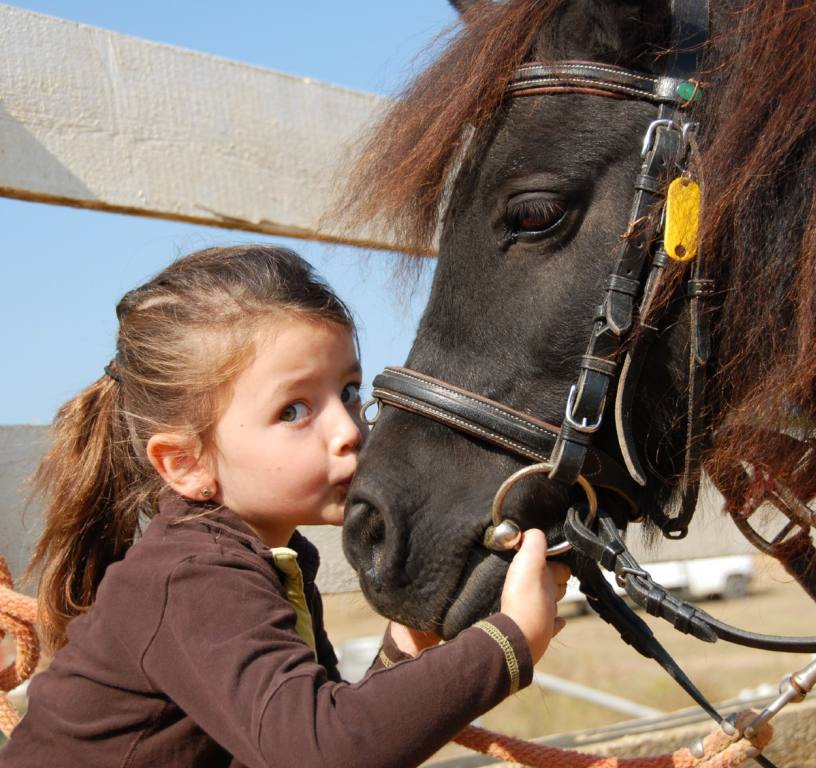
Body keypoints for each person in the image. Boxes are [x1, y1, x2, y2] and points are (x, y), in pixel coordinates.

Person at [1, 245, 569, 768]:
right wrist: (511, 641)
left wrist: (402, 649)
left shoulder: (263, 558)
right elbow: (320, 751)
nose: (349, 429)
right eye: (294, 410)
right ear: (185, 464)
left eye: (348, 391)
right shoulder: (192, 578)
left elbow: (308, 726)